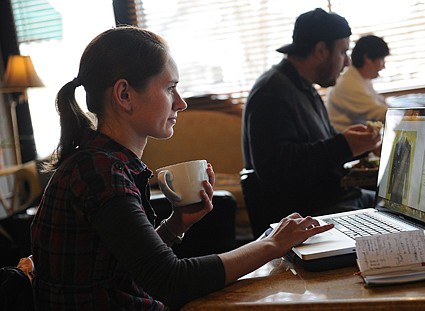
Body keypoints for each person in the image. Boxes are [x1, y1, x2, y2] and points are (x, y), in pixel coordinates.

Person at [29, 26, 334, 310]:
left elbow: (128, 264)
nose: (181, 103)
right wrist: (272, 244)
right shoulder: (101, 172)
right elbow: (171, 281)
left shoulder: (100, 162)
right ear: (124, 95)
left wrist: (178, 223)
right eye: (170, 88)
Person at [241, 8, 381, 237]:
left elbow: (322, 143)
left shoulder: (303, 86)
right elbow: (273, 166)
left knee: (403, 204)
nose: (346, 62)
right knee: (400, 211)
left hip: (334, 201)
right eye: (343, 52)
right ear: (320, 50)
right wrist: (344, 146)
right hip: (310, 216)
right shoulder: (272, 91)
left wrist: (359, 146)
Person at [326, 35, 390, 131]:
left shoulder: (361, 78)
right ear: (368, 58)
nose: (383, 66)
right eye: (382, 59)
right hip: (345, 142)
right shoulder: (349, 84)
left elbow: (381, 103)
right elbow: (380, 114)